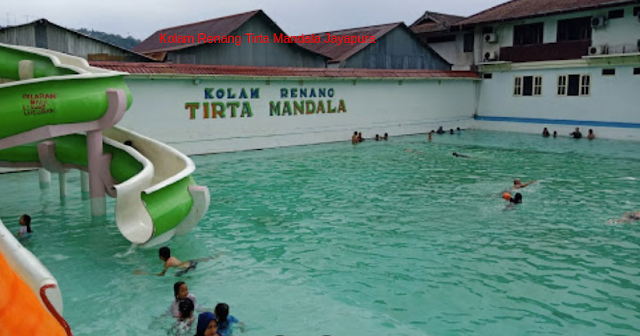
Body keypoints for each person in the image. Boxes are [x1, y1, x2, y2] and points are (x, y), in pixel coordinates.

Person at [134, 246, 221, 277]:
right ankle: (213, 257)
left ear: (161, 257)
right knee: (200, 260)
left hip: (188, 268)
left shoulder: (167, 264)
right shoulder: (172, 258)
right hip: (190, 263)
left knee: (177, 275)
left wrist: (144, 273)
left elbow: (161, 274)